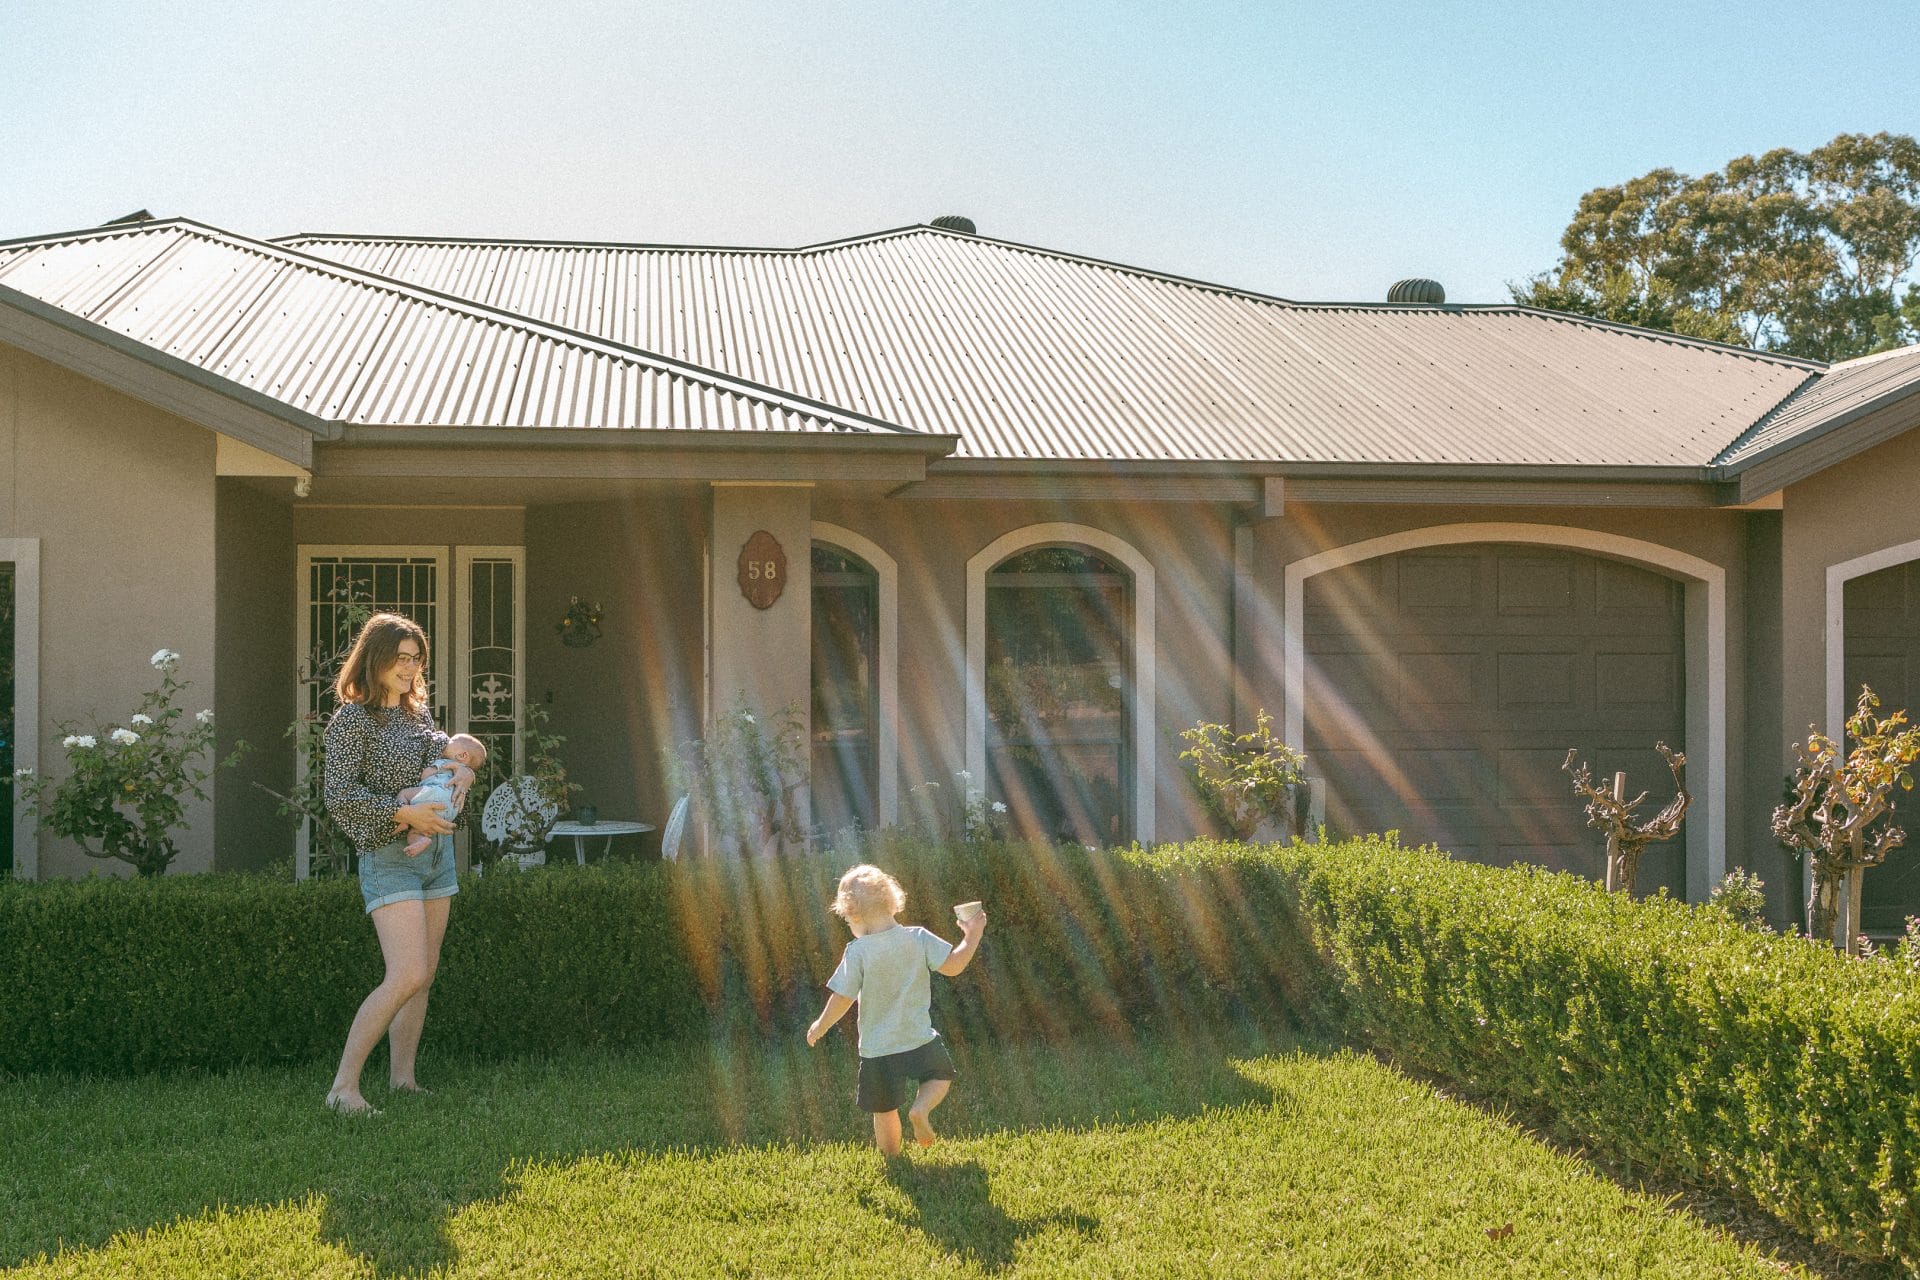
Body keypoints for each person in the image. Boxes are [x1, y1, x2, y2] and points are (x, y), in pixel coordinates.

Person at [321, 612, 468, 1116]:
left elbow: (451, 756)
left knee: (424, 975)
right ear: (376, 659)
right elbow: (338, 796)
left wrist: (461, 773)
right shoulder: (351, 720)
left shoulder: (416, 716)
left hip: (436, 858)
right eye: (401, 658)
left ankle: (403, 1080)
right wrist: (403, 813)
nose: (410, 668)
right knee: (404, 973)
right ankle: (343, 1089)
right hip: (388, 855)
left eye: (416, 659)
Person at [805, 864, 987, 1156]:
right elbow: (954, 965)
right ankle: (920, 1109)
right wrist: (972, 934)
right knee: (940, 1076)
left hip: (878, 1049)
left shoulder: (859, 951)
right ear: (891, 901)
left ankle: (893, 1160)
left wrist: (820, 1025)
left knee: (884, 1109)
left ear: (853, 915)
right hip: (918, 1037)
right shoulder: (917, 937)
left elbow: (842, 998)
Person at [397, 734, 487, 856]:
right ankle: (421, 839)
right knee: (417, 830)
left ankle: (403, 822)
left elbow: (426, 775)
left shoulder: (445, 762)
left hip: (434, 795)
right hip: (452, 810)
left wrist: (424, 772)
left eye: (452, 741)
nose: (446, 742)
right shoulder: (463, 774)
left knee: (404, 793)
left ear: (462, 755)